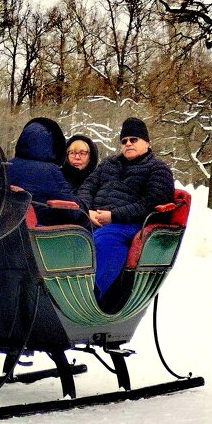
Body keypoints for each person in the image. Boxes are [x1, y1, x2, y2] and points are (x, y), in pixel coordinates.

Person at [77, 117, 176, 299]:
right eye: (124, 141)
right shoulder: (108, 164)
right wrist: (86, 209)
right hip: (94, 218)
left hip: (129, 223)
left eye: (133, 139)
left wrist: (113, 216)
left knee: (105, 240)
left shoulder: (158, 169)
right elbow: (87, 187)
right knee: (72, 235)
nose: (128, 144)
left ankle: (91, 296)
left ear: (146, 143)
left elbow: (151, 202)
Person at [7, 117, 82, 226]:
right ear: (54, 145)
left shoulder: (8, 165)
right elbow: (74, 210)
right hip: (38, 229)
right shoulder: (50, 171)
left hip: (11, 226)